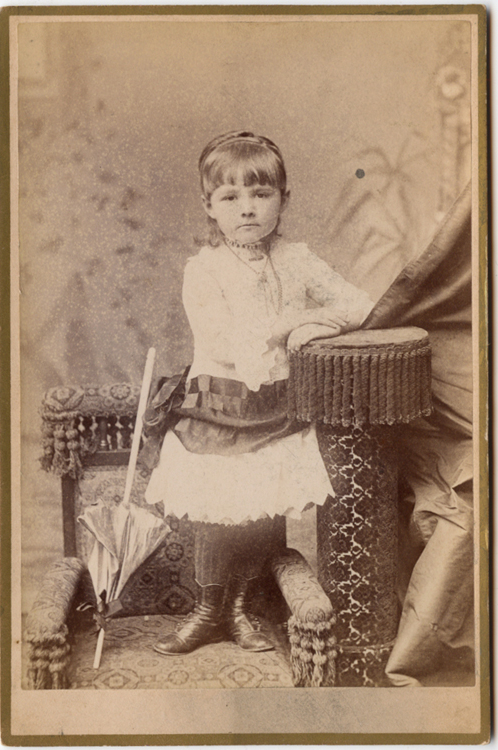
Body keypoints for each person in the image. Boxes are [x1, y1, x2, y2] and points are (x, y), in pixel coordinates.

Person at [144, 130, 373, 655]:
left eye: (261, 193)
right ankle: (208, 611)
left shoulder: (296, 259)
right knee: (216, 512)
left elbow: (359, 305)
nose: (247, 208)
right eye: (230, 197)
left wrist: (312, 324)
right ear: (209, 206)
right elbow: (222, 342)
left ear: (283, 199)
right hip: (218, 408)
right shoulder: (205, 270)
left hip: (274, 409)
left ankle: (241, 610)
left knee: (260, 509)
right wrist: (290, 324)